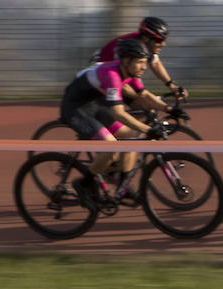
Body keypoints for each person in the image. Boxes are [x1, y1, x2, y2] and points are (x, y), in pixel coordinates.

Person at [60, 37, 156, 206]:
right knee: (111, 146)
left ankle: (123, 188)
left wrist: (169, 109)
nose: (144, 66)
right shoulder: (112, 75)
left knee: (132, 136)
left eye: (145, 62)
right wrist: (148, 130)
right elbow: (119, 113)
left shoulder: (130, 72)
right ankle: (83, 183)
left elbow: (146, 95)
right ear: (127, 60)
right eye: (140, 62)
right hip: (75, 108)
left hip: (95, 105)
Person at [92, 16, 185, 102]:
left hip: (115, 74)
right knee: (136, 105)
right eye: (159, 40)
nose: (163, 44)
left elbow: (155, 63)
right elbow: (119, 78)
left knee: (146, 105)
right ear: (145, 37)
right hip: (99, 72)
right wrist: (144, 98)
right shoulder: (127, 47)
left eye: (164, 40)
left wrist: (171, 85)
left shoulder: (146, 46)